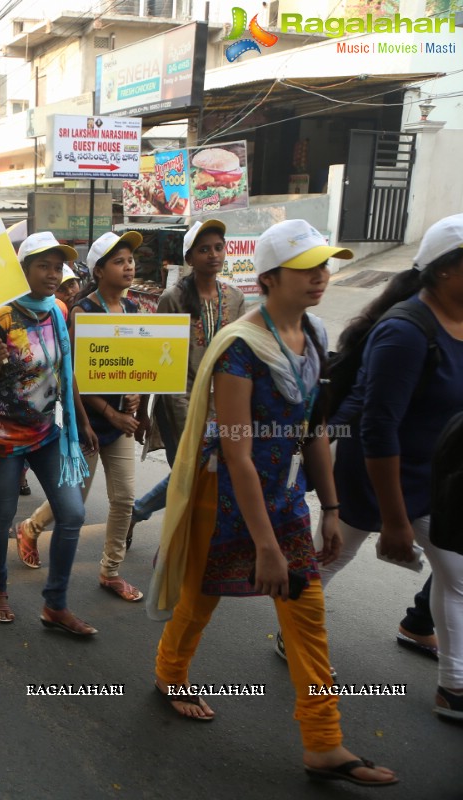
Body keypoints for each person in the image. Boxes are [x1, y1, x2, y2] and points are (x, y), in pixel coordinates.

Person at [147, 219, 397, 786]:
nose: (320, 278)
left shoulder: (314, 339)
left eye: (324, 267)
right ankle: (171, 673)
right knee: (200, 600)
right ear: (268, 279)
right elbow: (237, 454)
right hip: (226, 497)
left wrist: (329, 509)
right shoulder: (241, 346)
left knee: (307, 615)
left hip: (284, 497)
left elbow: (313, 431)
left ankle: (324, 742)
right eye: (306, 269)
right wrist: (265, 546)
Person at [323, 213, 463, 719]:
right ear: (446, 271)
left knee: (458, 576)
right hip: (376, 471)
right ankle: (299, 635)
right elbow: (377, 430)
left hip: (437, 477)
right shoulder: (404, 333)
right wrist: (397, 521)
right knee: (336, 556)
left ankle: (453, 687)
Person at [0, 231, 97, 629]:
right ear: (21, 270)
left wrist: (83, 421)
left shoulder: (58, 311)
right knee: (2, 516)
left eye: (58, 266)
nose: (53, 273)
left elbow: (64, 371)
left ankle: (54, 604)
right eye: (43, 265)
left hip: (46, 432)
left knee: (73, 513)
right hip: (2, 437)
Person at [15, 231, 150, 600]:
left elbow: (139, 366)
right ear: (99, 270)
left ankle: (110, 571)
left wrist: (138, 399)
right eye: (119, 261)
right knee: (73, 499)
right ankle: (31, 526)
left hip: (124, 422)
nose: (129, 267)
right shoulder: (82, 312)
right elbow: (72, 375)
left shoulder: (136, 310)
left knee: (124, 500)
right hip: (87, 424)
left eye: (131, 260)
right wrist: (106, 413)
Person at [128, 220, 246, 546]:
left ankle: (138, 512)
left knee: (198, 476)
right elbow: (158, 359)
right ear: (190, 257)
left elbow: (238, 357)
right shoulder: (173, 298)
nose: (213, 255)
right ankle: (184, 551)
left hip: (220, 404)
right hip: (179, 401)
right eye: (204, 249)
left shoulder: (235, 299)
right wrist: (145, 412)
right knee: (191, 472)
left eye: (218, 248)